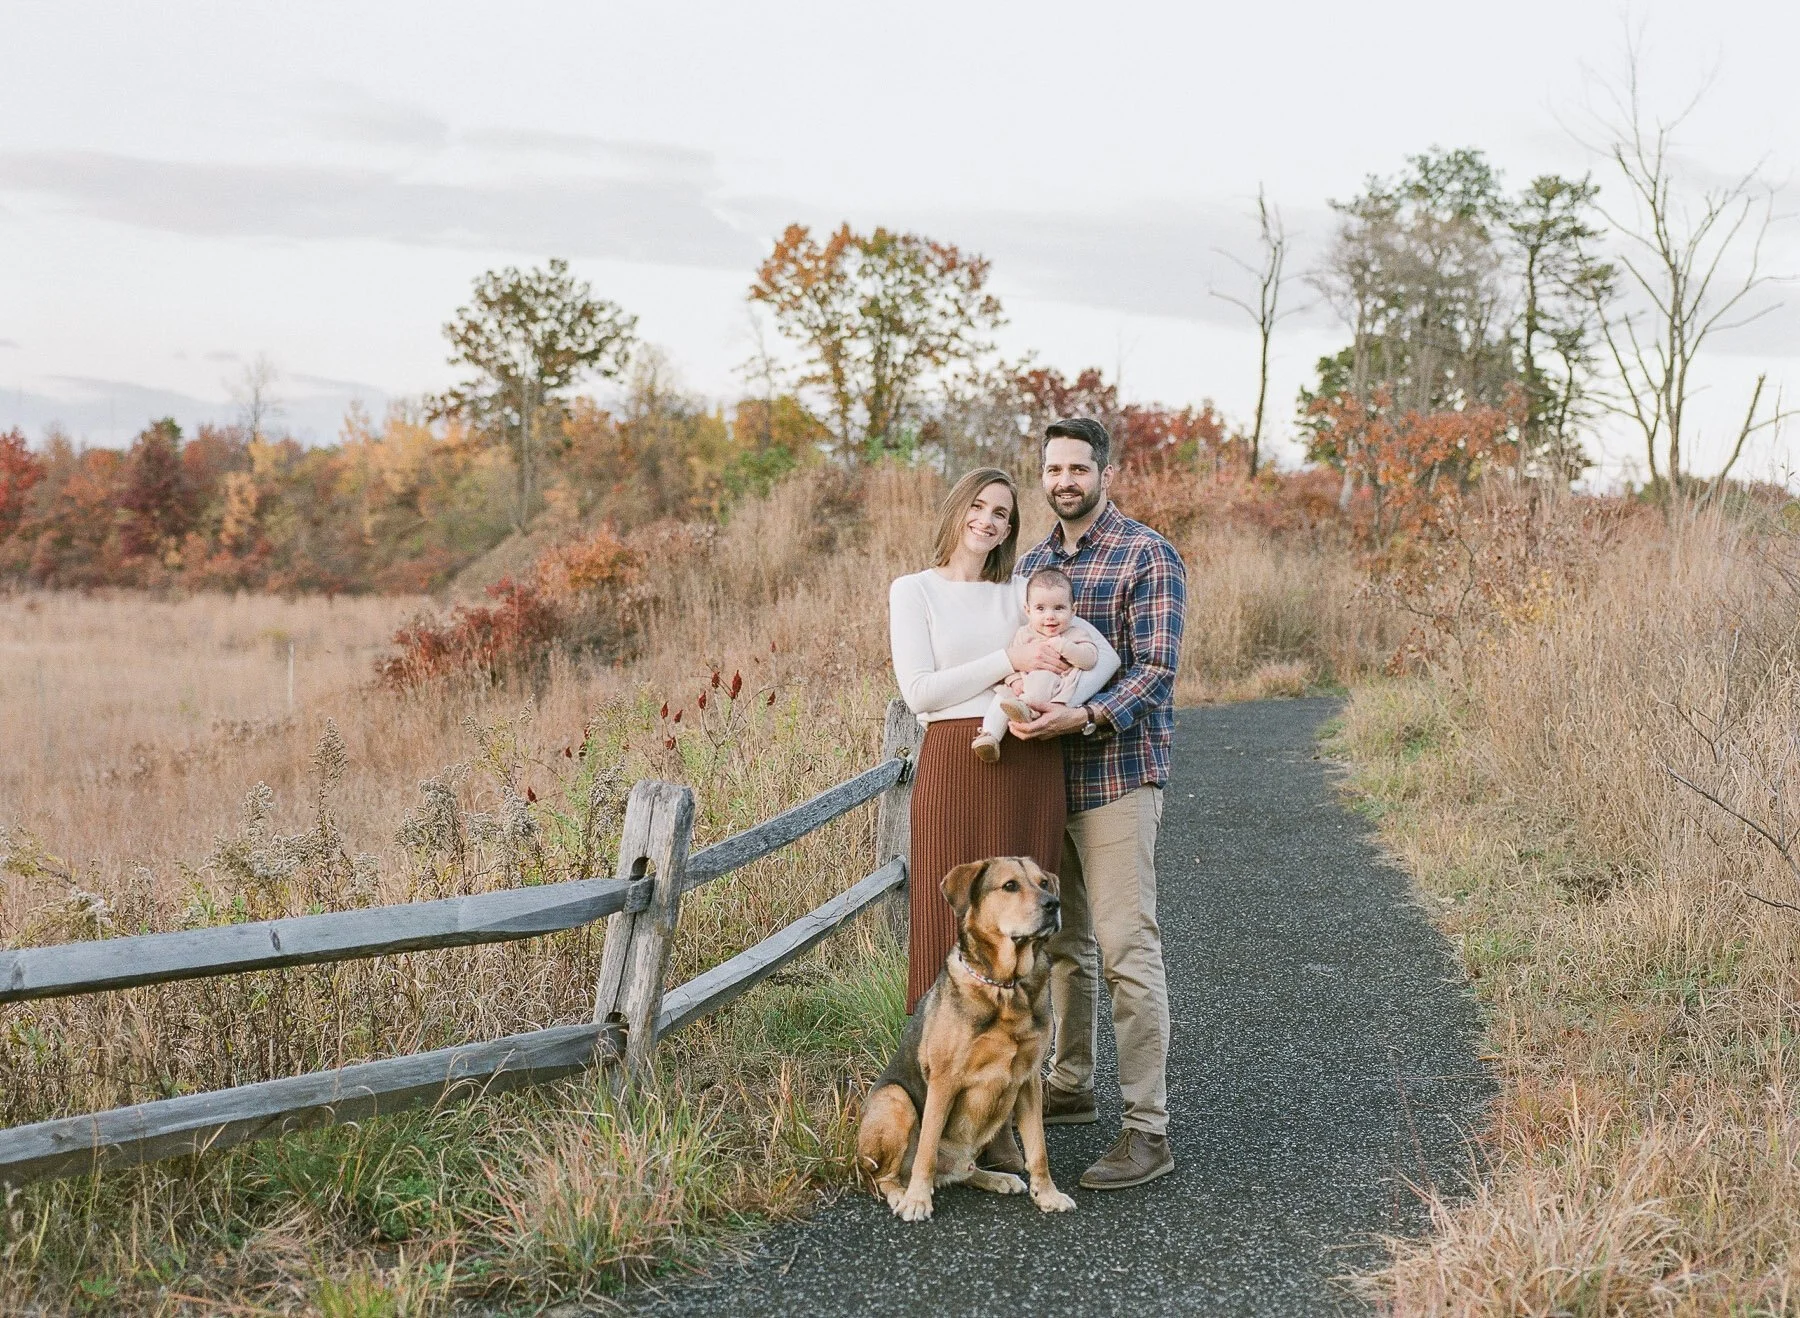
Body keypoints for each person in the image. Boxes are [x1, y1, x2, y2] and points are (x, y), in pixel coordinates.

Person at [1012, 416, 1188, 1191]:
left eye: (1078, 468)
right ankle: (1070, 1085)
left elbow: (1155, 670)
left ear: (1103, 474)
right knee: (1062, 948)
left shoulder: (1147, 554)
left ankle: (1148, 1131)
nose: (1065, 481)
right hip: (1047, 782)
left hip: (1117, 776)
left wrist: (1083, 714)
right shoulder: (1032, 564)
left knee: (1125, 950)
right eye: (1053, 469)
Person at [887, 468, 1118, 1017]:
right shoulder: (914, 590)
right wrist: (1008, 662)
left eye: (1001, 515)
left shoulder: (1021, 593)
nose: (987, 521)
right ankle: (935, 1077)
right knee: (949, 918)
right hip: (955, 760)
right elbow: (920, 692)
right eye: (980, 506)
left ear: (1010, 529)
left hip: (1030, 761)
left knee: (1029, 929)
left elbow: (1103, 657)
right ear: (957, 508)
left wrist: (1061, 702)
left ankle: (1020, 1085)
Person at [973, 566, 1108, 763]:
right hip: (1020, 690)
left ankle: (1029, 711)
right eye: (1040, 609)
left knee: (1041, 678)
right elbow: (1010, 665)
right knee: (1001, 698)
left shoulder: (1075, 634)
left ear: (1073, 610)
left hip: (1053, 689)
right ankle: (990, 737)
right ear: (1028, 611)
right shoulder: (1024, 634)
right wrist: (1015, 681)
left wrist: (1064, 646)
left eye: (1059, 608)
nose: (1050, 616)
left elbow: (1089, 660)